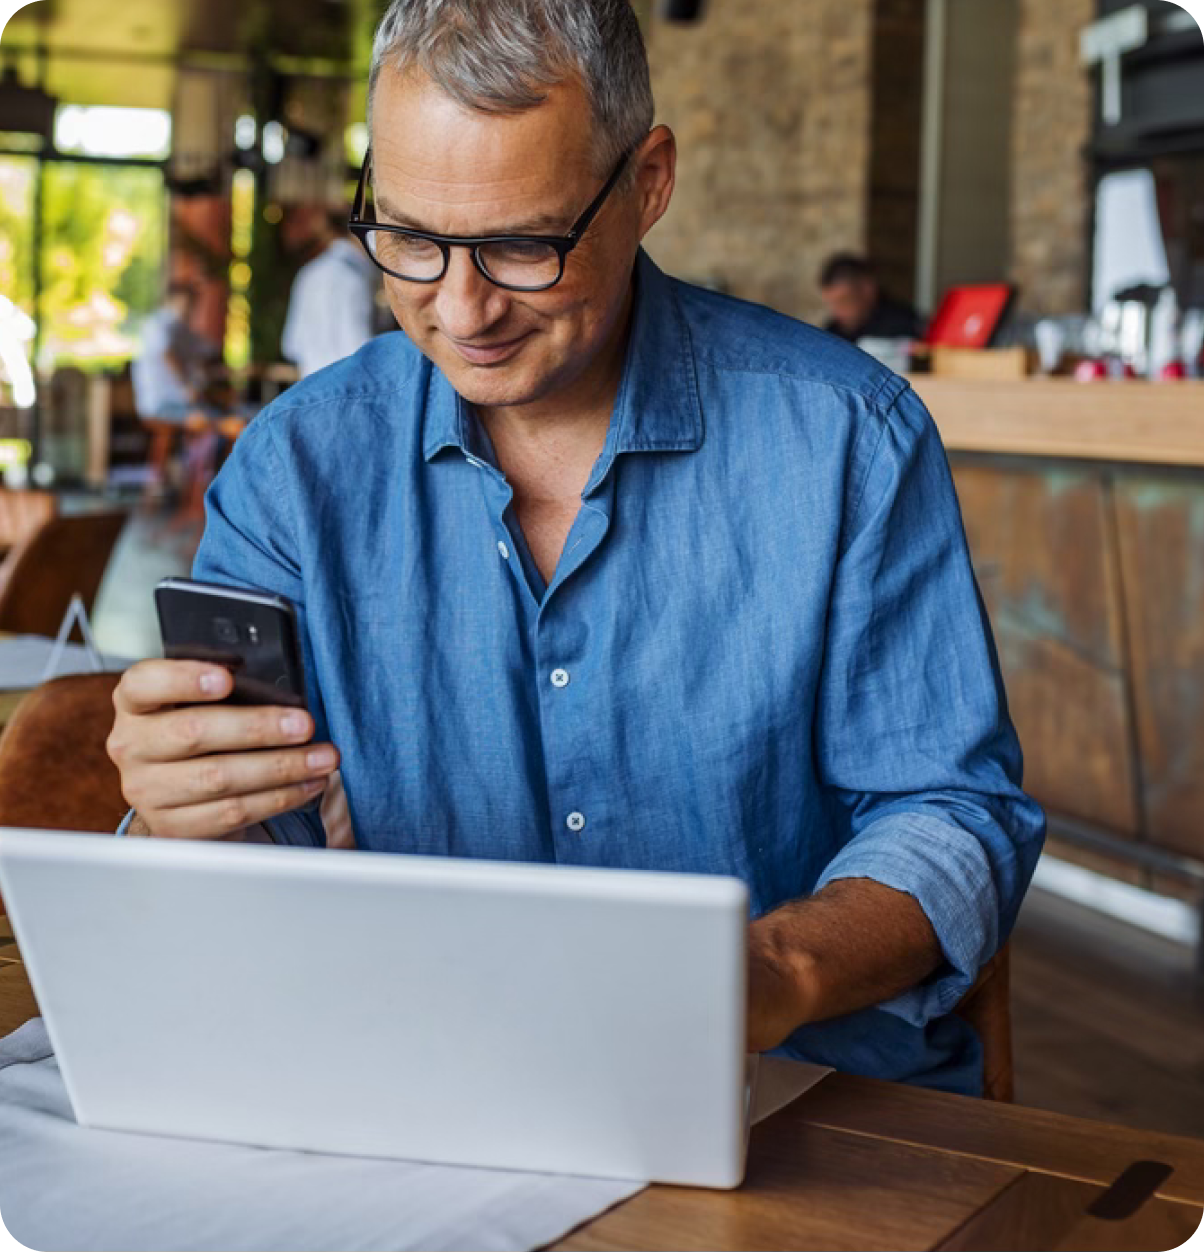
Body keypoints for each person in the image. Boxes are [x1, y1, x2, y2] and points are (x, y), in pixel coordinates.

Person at [107, 0, 1044, 1095]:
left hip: (799, 1095)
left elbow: (951, 809)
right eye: (408, 236)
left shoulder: (848, 442)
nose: (460, 310)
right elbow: (256, 857)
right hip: (427, 1080)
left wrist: (772, 969)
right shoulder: (295, 466)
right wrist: (181, 813)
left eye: (520, 244)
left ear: (647, 184)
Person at [282, 207, 378, 378]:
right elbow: (360, 349)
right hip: (348, 387)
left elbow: (291, 346)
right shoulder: (352, 279)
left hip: (310, 386)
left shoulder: (309, 271)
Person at [819, 253, 924, 343]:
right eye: (832, 303)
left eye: (844, 301)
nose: (838, 311)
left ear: (867, 289)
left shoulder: (903, 325)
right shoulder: (833, 332)